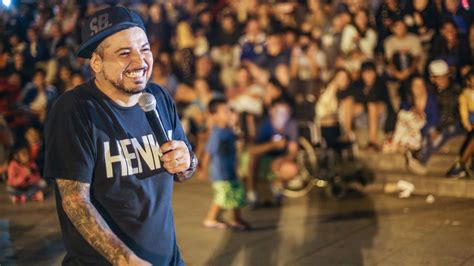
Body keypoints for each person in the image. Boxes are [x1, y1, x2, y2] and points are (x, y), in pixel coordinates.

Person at [43, 7, 197, 266]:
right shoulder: (75, 110)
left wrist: (187, 161)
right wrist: (125, 259)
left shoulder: (158, 98)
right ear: (96, 63)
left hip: (168, 259)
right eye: (124, 53)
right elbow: (75, 200)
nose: (140, 62)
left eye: (145, 49)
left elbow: (186, 169)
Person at [202, 98, 250, 230]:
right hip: (220, 173)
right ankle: (210, 218)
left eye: (229, 111)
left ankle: (236, 219)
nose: (228, 114)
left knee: (236, 193)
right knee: (222, 197)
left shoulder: (229, 131)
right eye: (224, 111)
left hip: (231, 171)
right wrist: (204, 169)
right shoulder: (217, 134)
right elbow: (208, 153)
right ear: (214, 115)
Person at [446, 70, 474, 178]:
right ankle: (463, 166)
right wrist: (467, 123)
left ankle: (461, 165)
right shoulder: (465, 94)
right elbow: (463, 111)